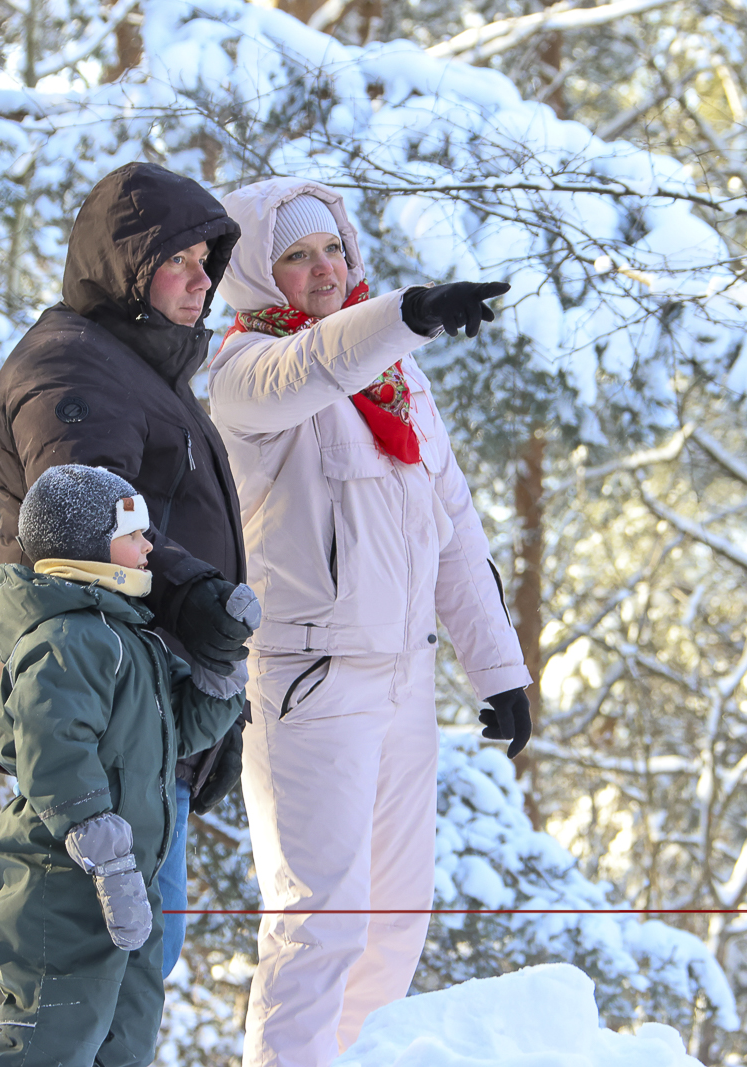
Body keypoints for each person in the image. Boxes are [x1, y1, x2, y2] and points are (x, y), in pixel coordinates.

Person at [209, 177, 535, 1067]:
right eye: (296, 254)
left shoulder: (395, 377)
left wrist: (499, 669)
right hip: (311, 682)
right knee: (319, 926)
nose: (323, 269)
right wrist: (414, 309)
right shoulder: (242, 372)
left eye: (333, 250)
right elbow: (316, 364)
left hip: (403, 681)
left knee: (394, 921)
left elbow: (454, 525)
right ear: (254, 270)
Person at [0, 161, 253, 979]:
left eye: (209, 261)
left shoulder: (137, 369)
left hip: (141, 702)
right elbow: (86, 523)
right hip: (100, 706)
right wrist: (201, 599)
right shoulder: (76, 374)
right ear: (127, 266)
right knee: (105, 969)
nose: (204, 281)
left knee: (136, 966)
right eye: (180, 261)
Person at [0, 464, 252, 1066]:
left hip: (129, 882)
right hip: (66, 883)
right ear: (89, 545)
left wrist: (219, 671)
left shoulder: (130, 637)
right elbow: (58, 752)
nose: (150, 546)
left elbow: (172, 735)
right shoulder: (66, 639)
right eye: (135, 534)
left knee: (124, 1041)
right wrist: (107, 857)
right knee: (52, 1044)